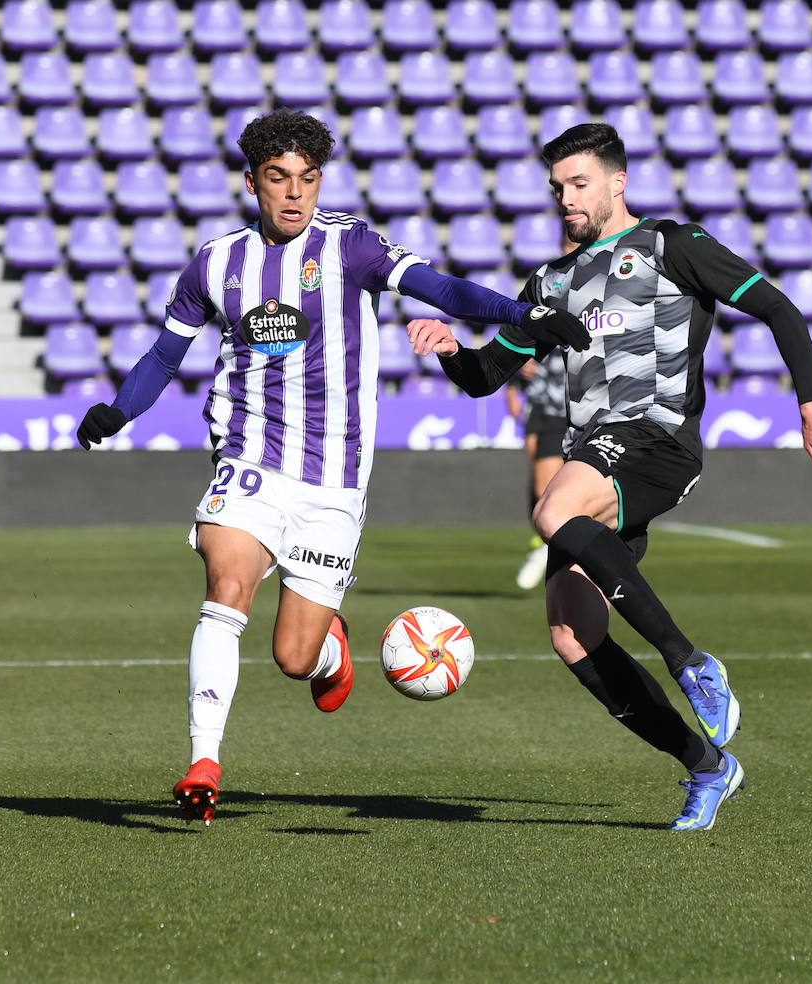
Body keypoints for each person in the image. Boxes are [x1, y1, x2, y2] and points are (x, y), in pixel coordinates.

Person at [74, 110, 588, 825]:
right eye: (279, 179)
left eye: (308, 180)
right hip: (248, 457)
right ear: (252, 181)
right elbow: (167, 354)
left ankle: (329, 651)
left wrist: (523, 314)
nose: (295, 195)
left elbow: (440, 288)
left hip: (332, 480)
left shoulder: (352, 247)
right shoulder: (215, 264)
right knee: (226, 584)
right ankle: (203, 761)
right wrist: (120, 410)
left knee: (294, 656)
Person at [409, 123, 812, 832]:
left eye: (578, 183)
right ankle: (708, 768)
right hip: (598, 458)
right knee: (572, 637)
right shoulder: (549, 284)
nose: (566, 199)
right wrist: (448, 349)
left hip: (658, 438)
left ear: (617, 182)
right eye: (557, 188)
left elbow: (778, 307)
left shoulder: (673, 246)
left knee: (553, 511)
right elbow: (488, 376)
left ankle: (691, 662)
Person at [508, 348, 567, 590]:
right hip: (537, 407)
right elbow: (516, 350)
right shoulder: (536, 317)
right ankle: (552, 541)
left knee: (547, 487)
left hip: (561, 409)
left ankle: (550, 547)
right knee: (538, 485)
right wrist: (514, 383)